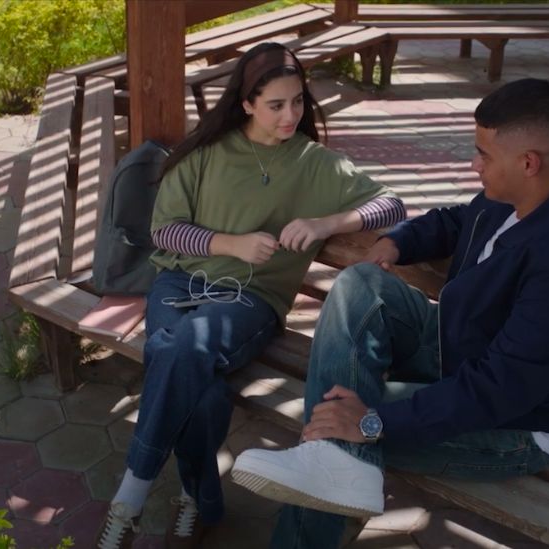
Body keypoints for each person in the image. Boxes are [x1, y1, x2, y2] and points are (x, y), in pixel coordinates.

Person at [230, 78, 549, 548]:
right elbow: (456, 220)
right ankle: (333, 461)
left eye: (483, 155)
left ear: (528, 163)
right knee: (361, 283)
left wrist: (371, 422)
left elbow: (496, 393)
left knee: (334, 422)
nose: (474, 164)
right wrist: (399, 241)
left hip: (517, 426)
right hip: (458, 353)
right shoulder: (510, 202)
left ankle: (328, 471)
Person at [91, 42, 406, 549]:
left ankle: (129, 496)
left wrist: (327, 223)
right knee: (199, 385)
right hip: (178, 283)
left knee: (182, 349)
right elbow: (165, 230)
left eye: (297, 102)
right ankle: (197, 499)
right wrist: (229, 243)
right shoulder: (207, 151)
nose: (290, 116)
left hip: (250, 297)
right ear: (246, 104)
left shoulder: (314, 163)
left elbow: (391, 204)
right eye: (275, 105)